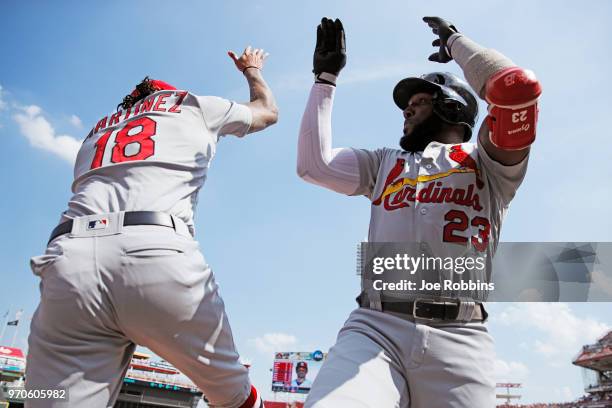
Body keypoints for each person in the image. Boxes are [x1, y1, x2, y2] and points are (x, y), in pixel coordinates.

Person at [297, 17, 541, 407]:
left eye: (418, 102)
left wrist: (458, 45)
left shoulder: (490, 162)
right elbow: (315, 165)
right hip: (376, 326)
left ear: (450, 104)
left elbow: (517, 89)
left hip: (461, 337)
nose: (406, 111)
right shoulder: (384, 162)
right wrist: (324, 80)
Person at [26, 46, 278, 408]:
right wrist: (252, 71)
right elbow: (268, 112)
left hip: (68, 260)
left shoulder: (94, 134)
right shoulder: (190, 104)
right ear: (168, 93)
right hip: (154, 248)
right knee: (237, 398)